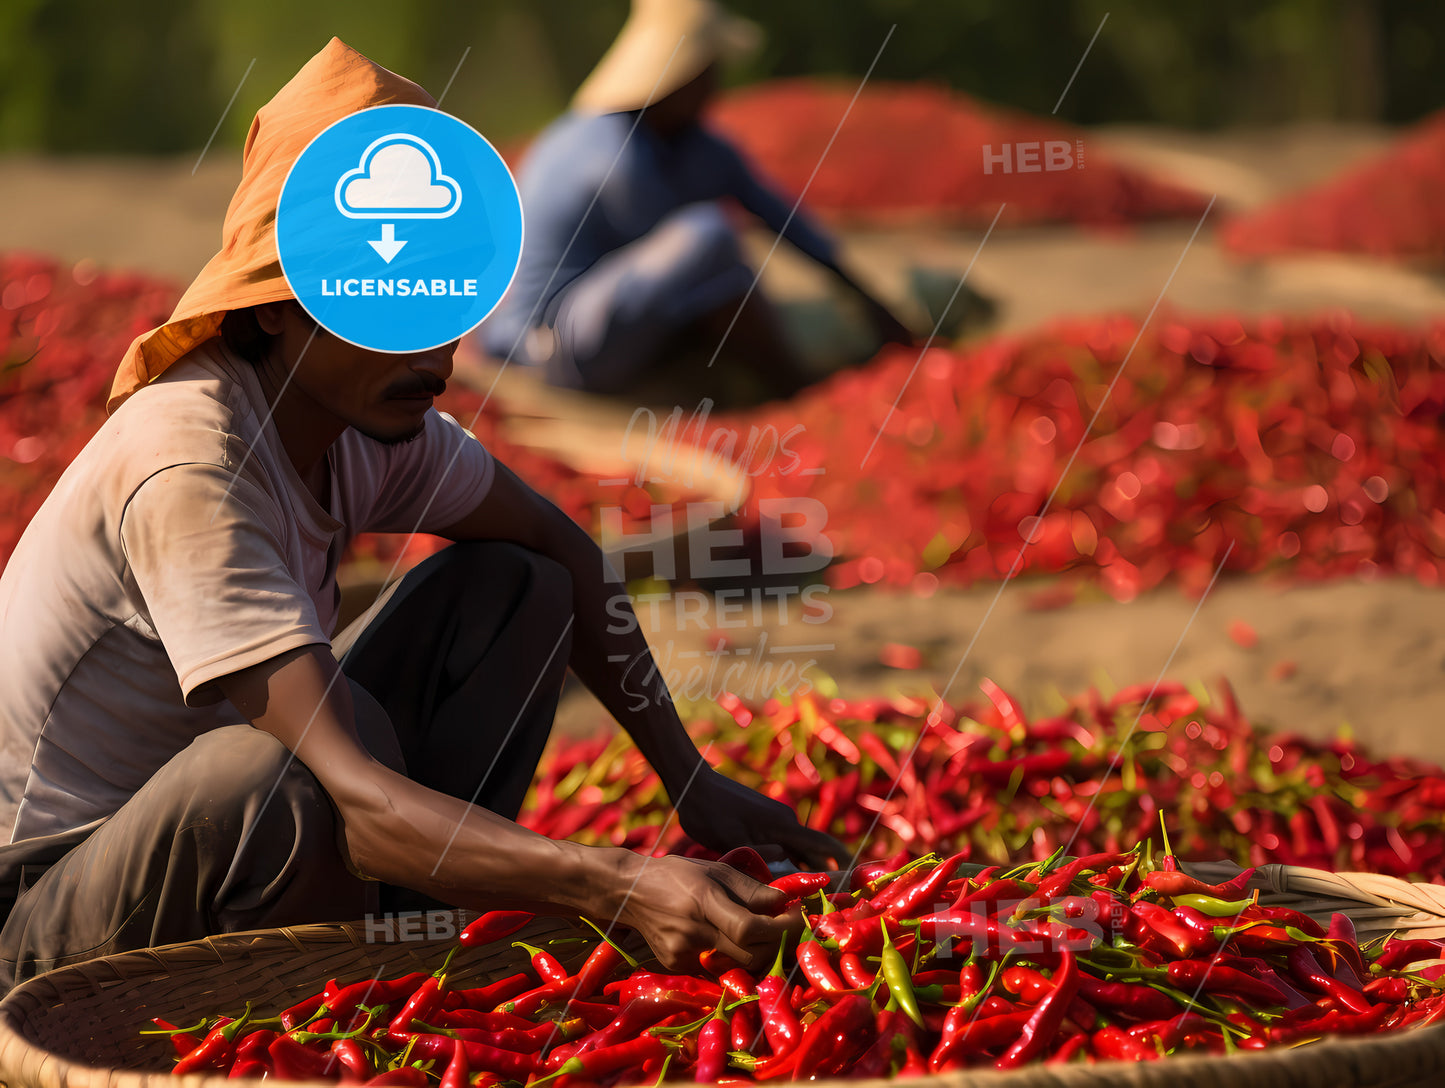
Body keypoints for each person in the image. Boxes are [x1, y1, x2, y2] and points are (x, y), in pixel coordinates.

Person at [0, 37, 846, 993]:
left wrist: (686, 778)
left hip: (196, 839)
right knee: (275, 778)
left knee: (517, 584)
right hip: (40, 912)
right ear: (272, 307)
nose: (435, 351)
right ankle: (330, 980)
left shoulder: (368, 414)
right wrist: (611, 883)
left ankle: (399, 934)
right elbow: (354, 802)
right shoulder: (190, 459)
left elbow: (562, 548)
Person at [477, 0, 912, 401]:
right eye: (705, 73)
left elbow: (784, 221)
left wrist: (868, 298)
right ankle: (794, 389)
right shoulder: (610, 153)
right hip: (553, 342)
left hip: (616, 317)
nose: (713, 87)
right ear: (677, 76)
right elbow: (702, 266)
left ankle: (787, 382)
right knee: (710, 234)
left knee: (714, 250)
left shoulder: (694, 146)